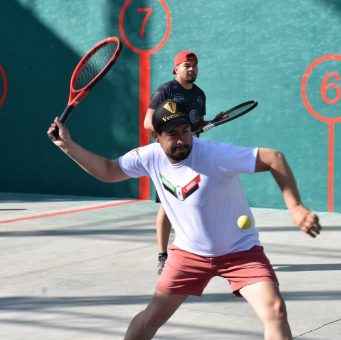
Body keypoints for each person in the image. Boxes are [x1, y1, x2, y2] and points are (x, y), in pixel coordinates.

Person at [47, 99, 321, 340]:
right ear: (156, 136)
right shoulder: (148, 157)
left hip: (241, 252)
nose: (182, 139)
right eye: (172, 133)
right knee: (152, 317)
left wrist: (295, 207)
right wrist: (67, 144)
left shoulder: (214, 154)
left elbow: (274, 158)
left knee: (275, 311)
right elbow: (108, 170)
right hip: (189, 255)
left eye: (185, 131)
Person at [144, 50, 207, 274]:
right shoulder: (166, 90)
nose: (191, 69)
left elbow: (196, 124)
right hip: (169, 157)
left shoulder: (200, 95)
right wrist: (172, 131)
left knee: (197, 201)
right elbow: (147, 122)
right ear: (176, 69)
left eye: (195, 65)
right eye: (186, 65)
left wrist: (211, 121)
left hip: (192, 155)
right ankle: (163, 255)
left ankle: (195, 251)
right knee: (167, 205)